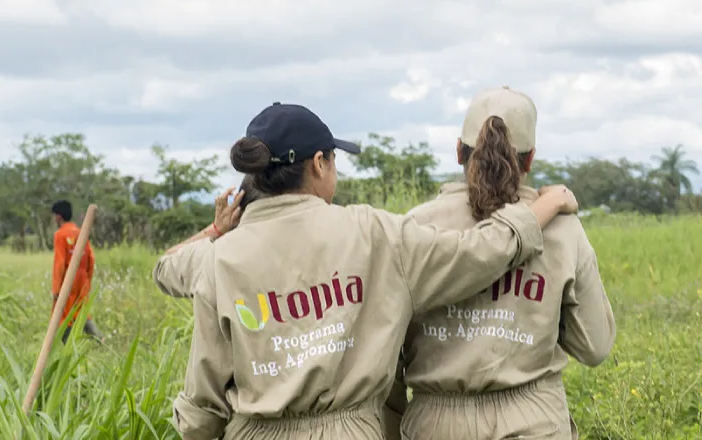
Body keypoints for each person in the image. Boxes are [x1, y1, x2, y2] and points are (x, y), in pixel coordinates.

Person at [150, 102, 580, 440]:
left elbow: (167, 270)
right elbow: (478, 253)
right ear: (318, 164)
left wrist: (215, 230)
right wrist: (546, 205)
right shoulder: (374, 234)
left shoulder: (220, 258)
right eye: (334, 161)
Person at [395, 86, 616, 439]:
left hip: (437, 423)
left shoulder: (414, 226)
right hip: (534, 419)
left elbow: (390, 346)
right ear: (529, 160)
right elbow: (594, 346)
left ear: (458, 152)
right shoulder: (561, 228)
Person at [50, 200, 102, 344]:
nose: (54, 219)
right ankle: (99, 339)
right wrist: (87, 280)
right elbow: (91, 258)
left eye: (55, 216)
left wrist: (56, 289)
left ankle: (69, 344)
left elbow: (59, 263)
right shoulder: (81, 232)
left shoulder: (60, 235)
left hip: (68, 279)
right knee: (82, 311)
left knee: (64, 314)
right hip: (83, 278)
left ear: (59, 217)